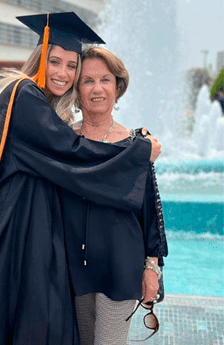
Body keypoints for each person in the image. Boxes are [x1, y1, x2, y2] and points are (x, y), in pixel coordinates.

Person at [0, 12, 162, 345]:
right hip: (16, 228)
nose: (63, 73)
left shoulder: (35, 103)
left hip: (35, 230)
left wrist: (151, 265)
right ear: (40, 60)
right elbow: (70, 152)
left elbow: (57, 163)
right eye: (55, 62)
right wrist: (139, 154)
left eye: (71, 66)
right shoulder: (24, 95)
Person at [61, 47, 168, 344]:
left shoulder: (137, 144)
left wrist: (151, 267)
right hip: (71, 267)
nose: (97, 89)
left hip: (120, 266)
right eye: (87, 81)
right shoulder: (63, 141)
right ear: (76, 89)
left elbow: (150, 209)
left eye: (105, 80)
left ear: (117, 87)